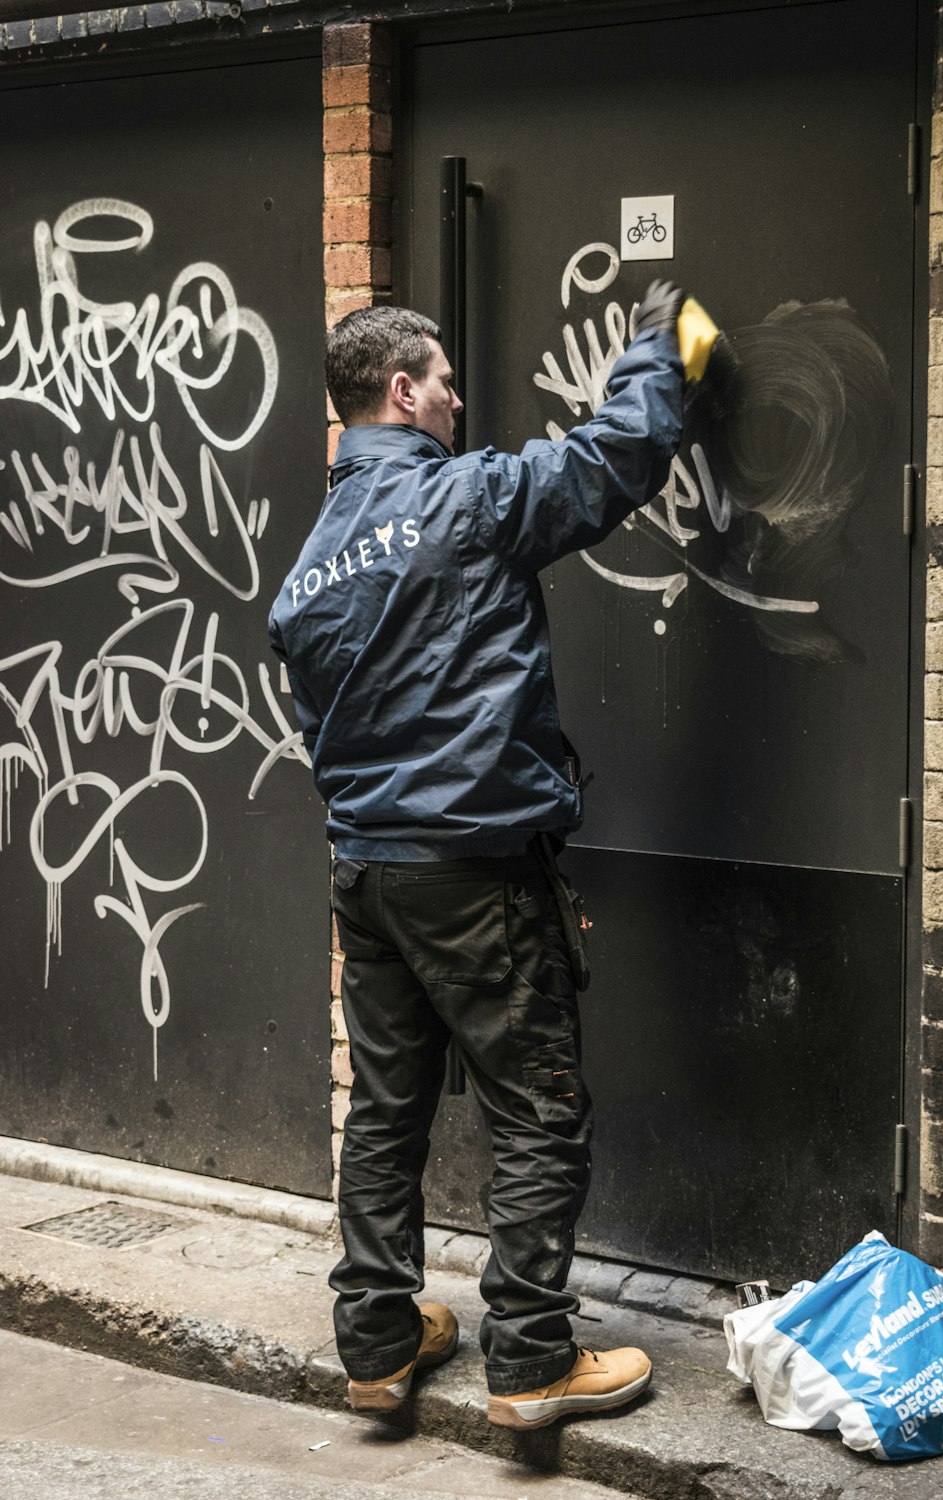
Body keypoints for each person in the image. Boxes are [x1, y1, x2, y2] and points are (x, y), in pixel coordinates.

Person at [268, 282, 687, 1429]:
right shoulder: (466, 497)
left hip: (367, 873)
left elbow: (323, 729)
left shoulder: (305, 572)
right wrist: (657, 348)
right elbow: (614, 457)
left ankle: (378, 1345)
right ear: (401, 392)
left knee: (386, 1110)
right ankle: (531, 1364)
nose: (459, 398)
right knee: (537, 1108)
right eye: (446, 382)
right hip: (475, 872)